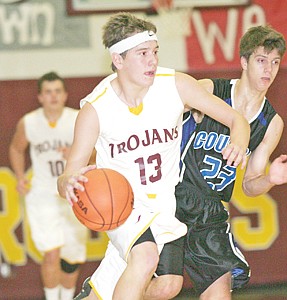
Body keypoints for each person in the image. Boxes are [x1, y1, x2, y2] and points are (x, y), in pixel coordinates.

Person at [57, 12, 250, 300]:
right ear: (118, 60)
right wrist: (69, 183)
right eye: (143, 53)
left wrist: (238, 141)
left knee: (169, 285)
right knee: (145, 256)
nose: (153, 60)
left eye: (155, 51)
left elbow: (238, 120)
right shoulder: (95, 109)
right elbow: (67, 176)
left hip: (163, 206)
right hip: (121, 205)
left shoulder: (175, 84)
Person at [175, 24, 287, 300]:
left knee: (220, 292)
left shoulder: (271, 123)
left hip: (210, 211)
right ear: (244, 62)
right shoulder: (211, 90)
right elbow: (165, 107)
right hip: (171, 194)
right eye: (261, 61)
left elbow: (250, 185)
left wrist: (270, 179)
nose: (268, 70)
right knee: (163, 286)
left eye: (275, 62)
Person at [9, 72, 88, 300]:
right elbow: (16, 148)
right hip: (43, 194)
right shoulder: (29, 122)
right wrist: (20, 176)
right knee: (51, 253)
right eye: (48, 92)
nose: (53, 96)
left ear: (64, 95)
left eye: (57, 91)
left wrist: (76, 153)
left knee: (72, 257)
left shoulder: (78, 119)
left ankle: (68, 296)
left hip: (74, 193)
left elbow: (95, 153)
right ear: (40, 97)